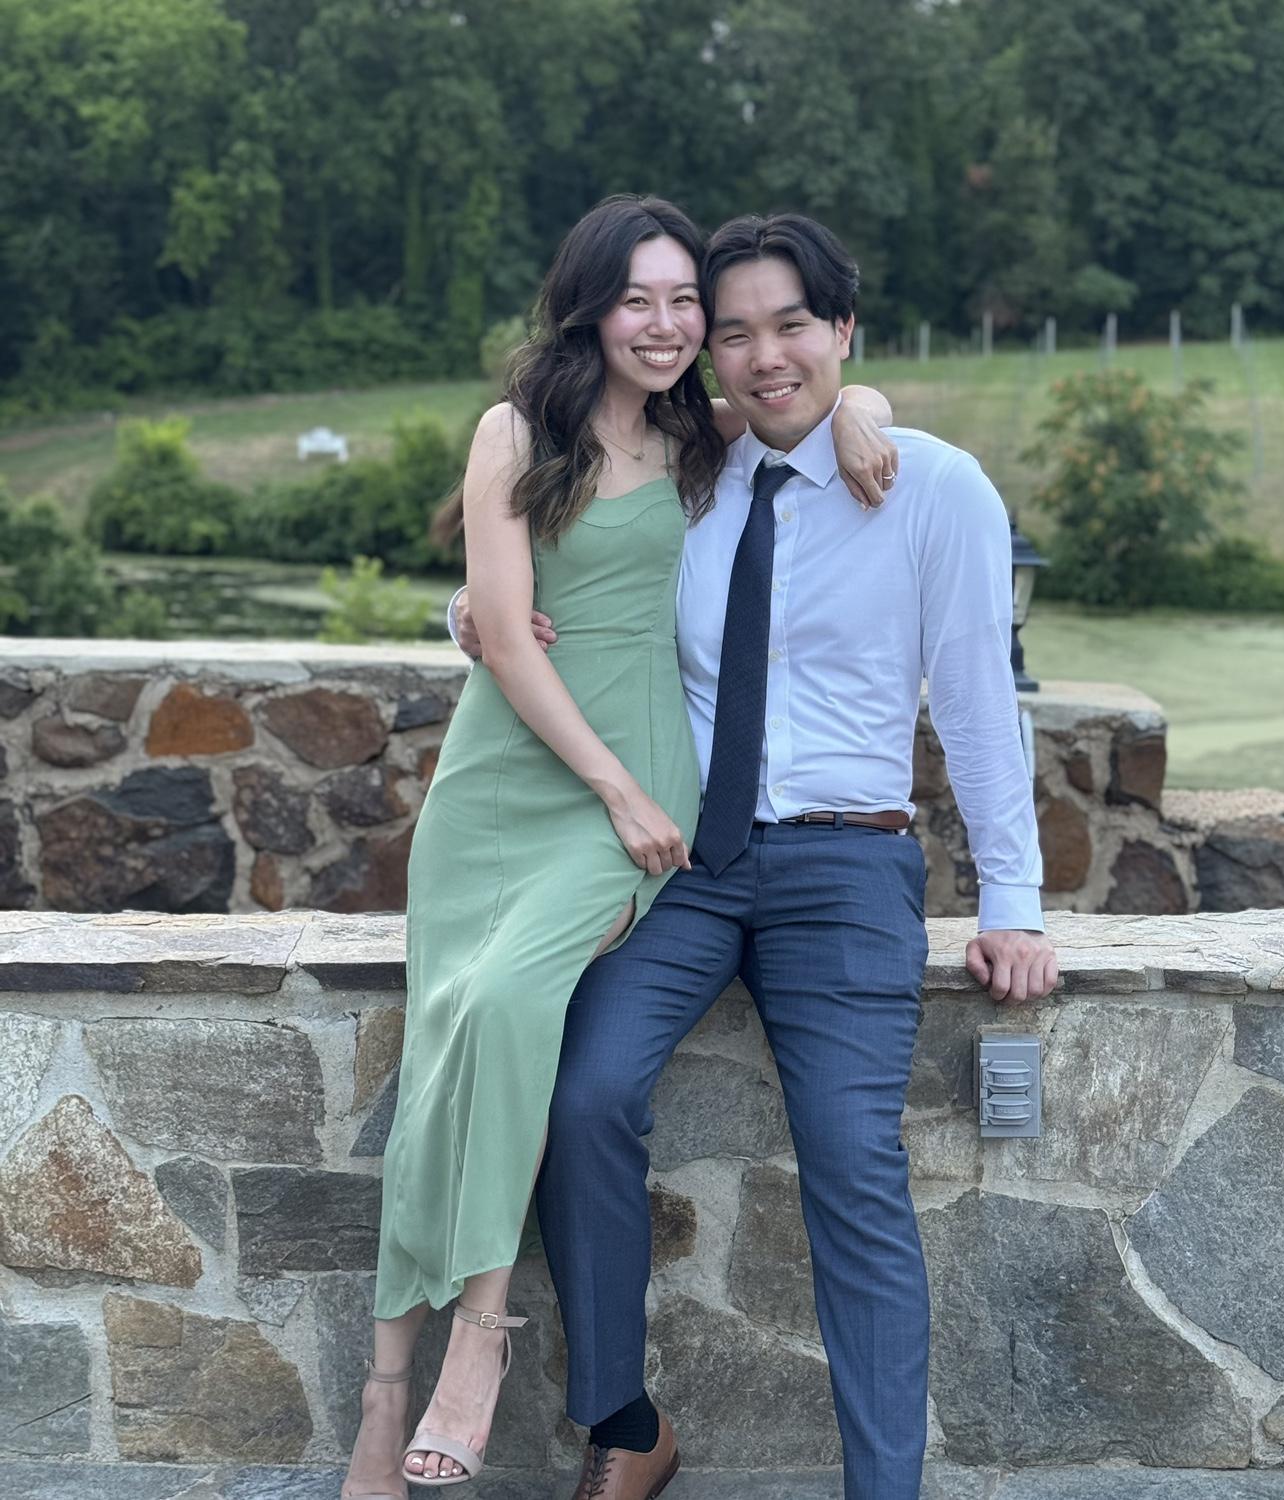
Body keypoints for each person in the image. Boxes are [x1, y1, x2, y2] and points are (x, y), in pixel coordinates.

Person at [450, 213, 1057, 1500]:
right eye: (734, 333)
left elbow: (977, 704)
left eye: (793, 326)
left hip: (847, 869)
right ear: (707, 356)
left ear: (844, 330)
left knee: (851, 1159)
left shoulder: (933, 487)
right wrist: (471, 611)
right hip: (685, 862)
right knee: (583, 1099)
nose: (764, 354)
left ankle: (883, 1490)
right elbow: (567, 581)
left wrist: (1014, 900)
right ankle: (627, 1426)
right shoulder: (689, 470)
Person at [339, 194, 895, 1500]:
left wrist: (867, 405)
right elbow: (501, 628)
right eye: (638, 298)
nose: (667, 323)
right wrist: (477, 622)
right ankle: (382, 1403)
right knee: (453, 1029)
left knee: (511, 1006)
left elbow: (814, 394)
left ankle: (479, 1340)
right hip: (509, 781)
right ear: (590, 306)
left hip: (638, 789)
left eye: (683, 299)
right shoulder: (515, 430)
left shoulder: (704, 433)